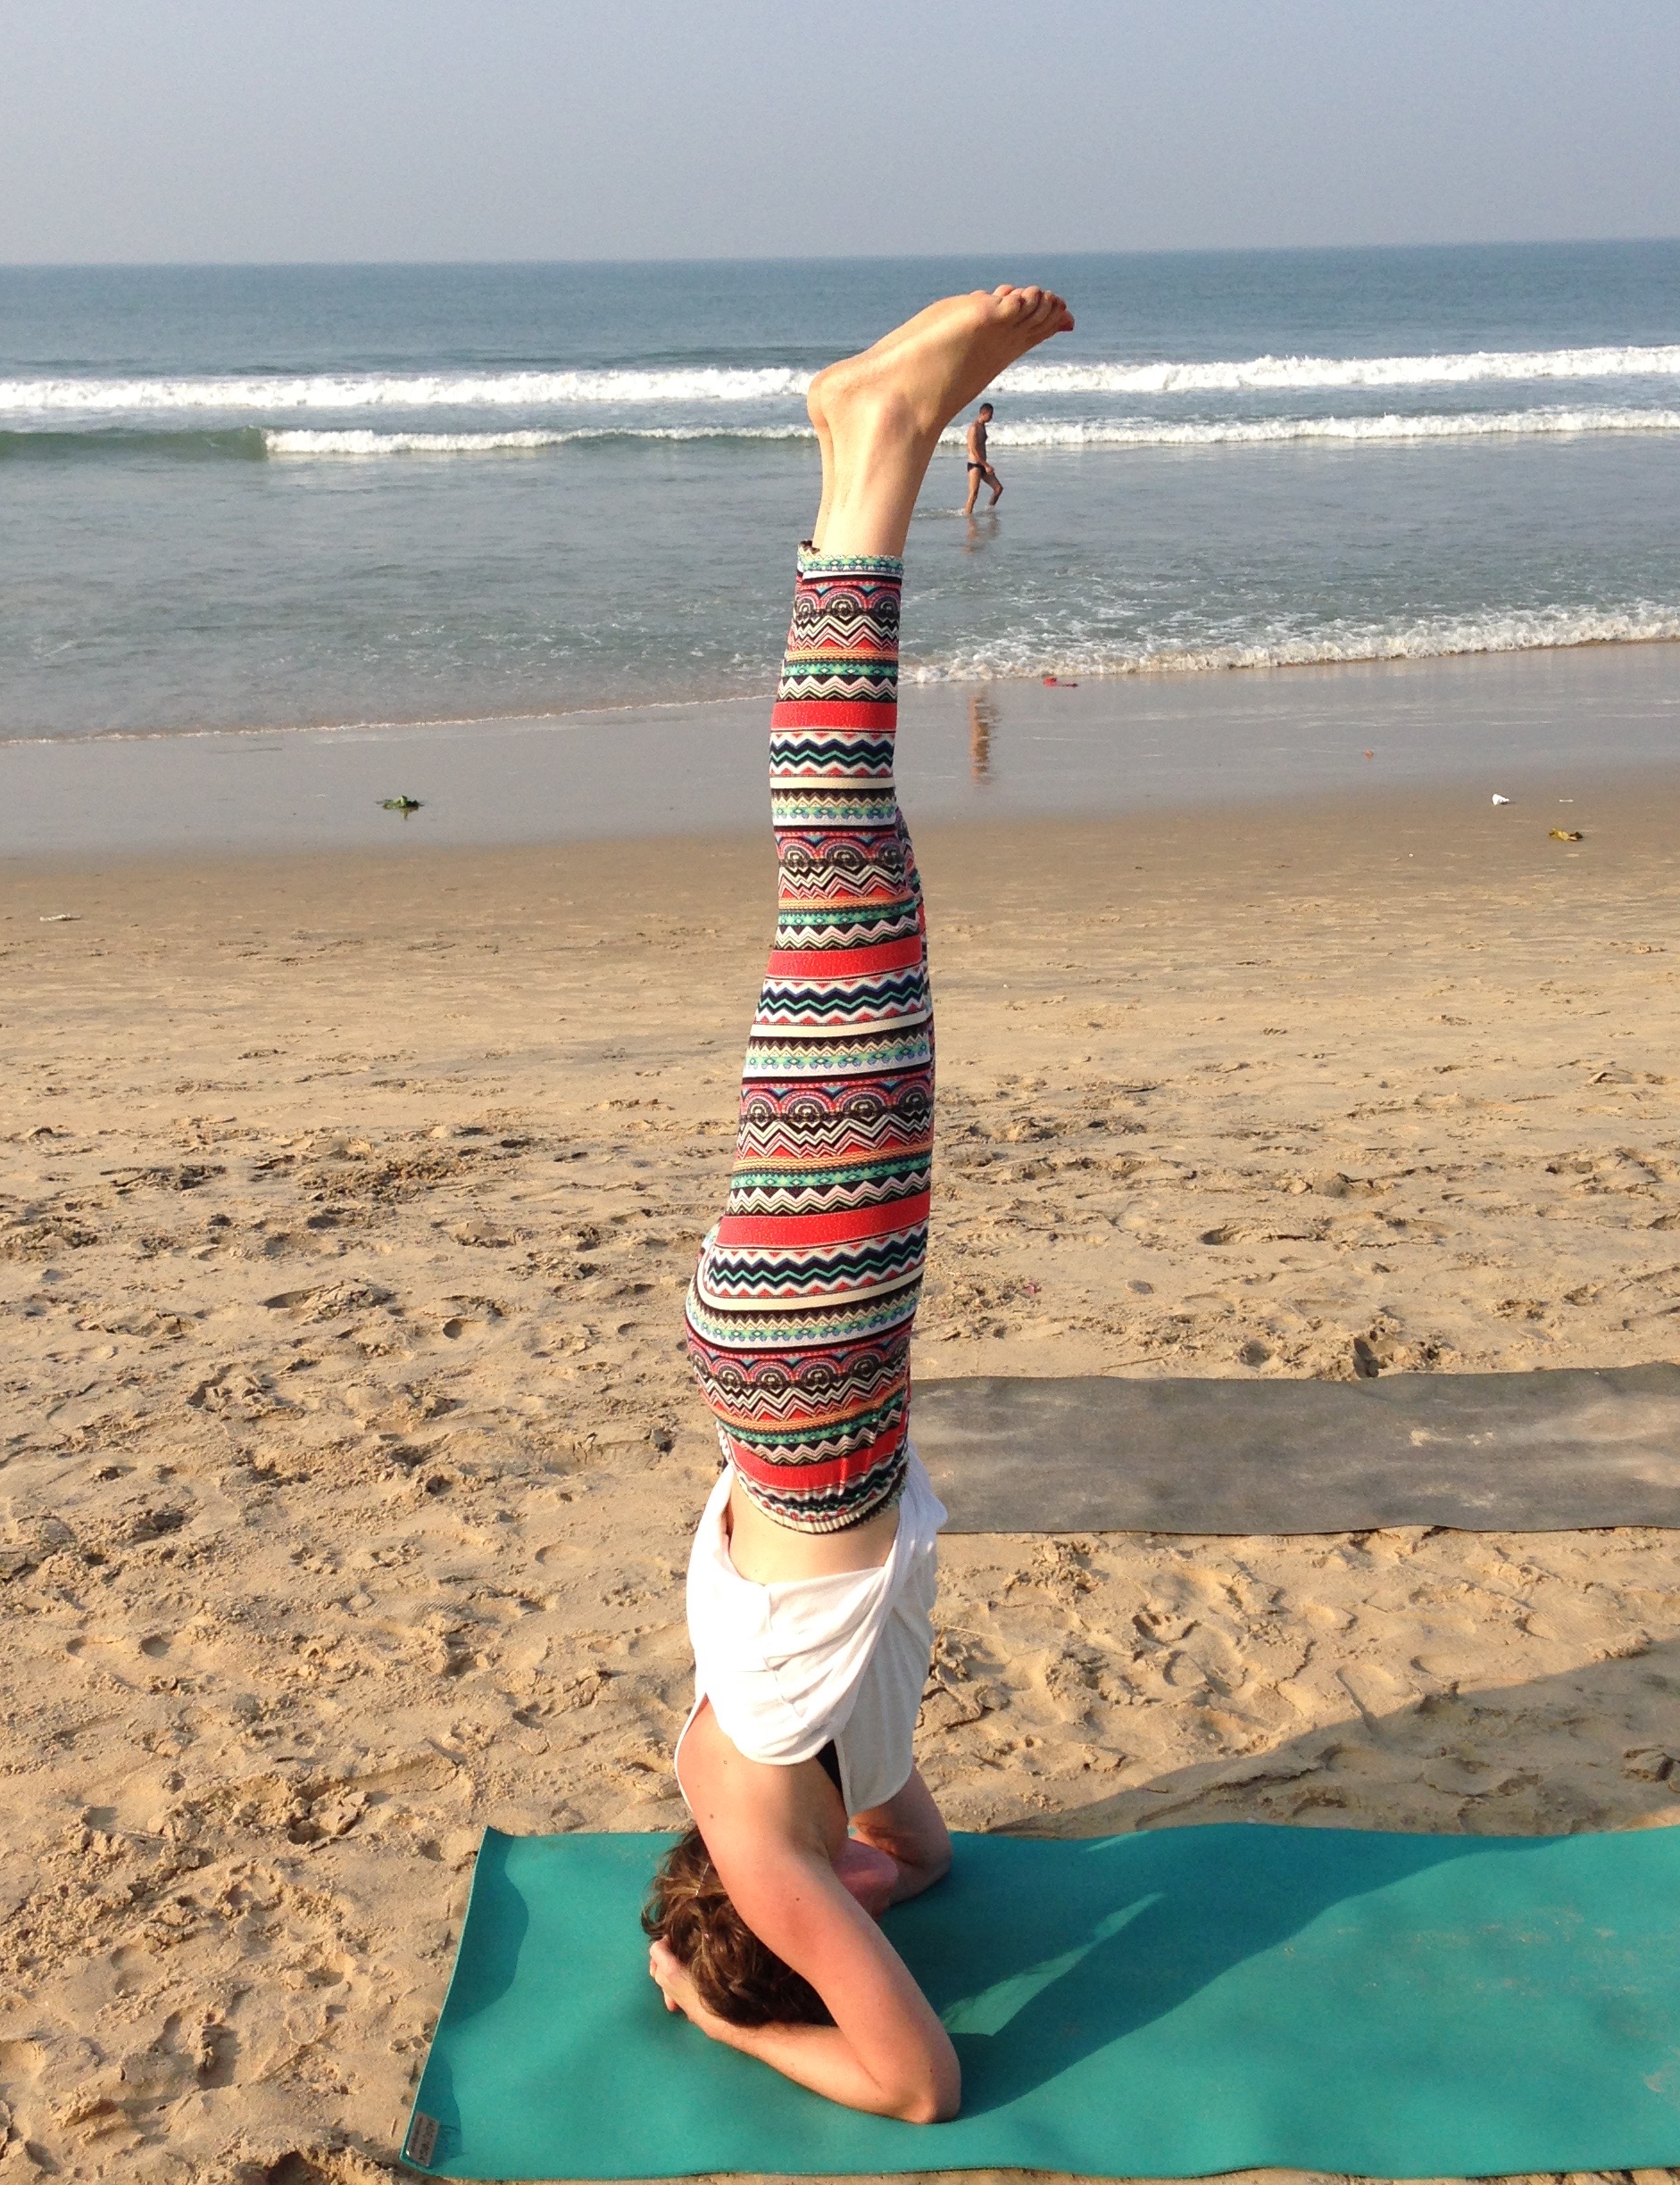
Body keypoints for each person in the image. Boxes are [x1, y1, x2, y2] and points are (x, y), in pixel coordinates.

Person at [647, 285, 1074, 2122]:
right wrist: (865, 1883)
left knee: (843, 871)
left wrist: (730, 2017)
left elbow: (920, 2085)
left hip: (815, 1384)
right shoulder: (799, 1787)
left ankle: (873, 452)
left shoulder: (770, 1835)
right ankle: (855, 446)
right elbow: (935, 1860)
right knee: (849, 899)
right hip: (777, 1372)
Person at [961, 401, 1002, 512]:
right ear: (984, 414)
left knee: (998, 489)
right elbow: (973, 450)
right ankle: (968, 517)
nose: (991, 417)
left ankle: (989, 511)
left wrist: (985, 465)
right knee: (973, 494)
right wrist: (986, 465)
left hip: (983, 465)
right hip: (975, 465)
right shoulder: (974, 428)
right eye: (990, 414)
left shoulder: (982, 426)